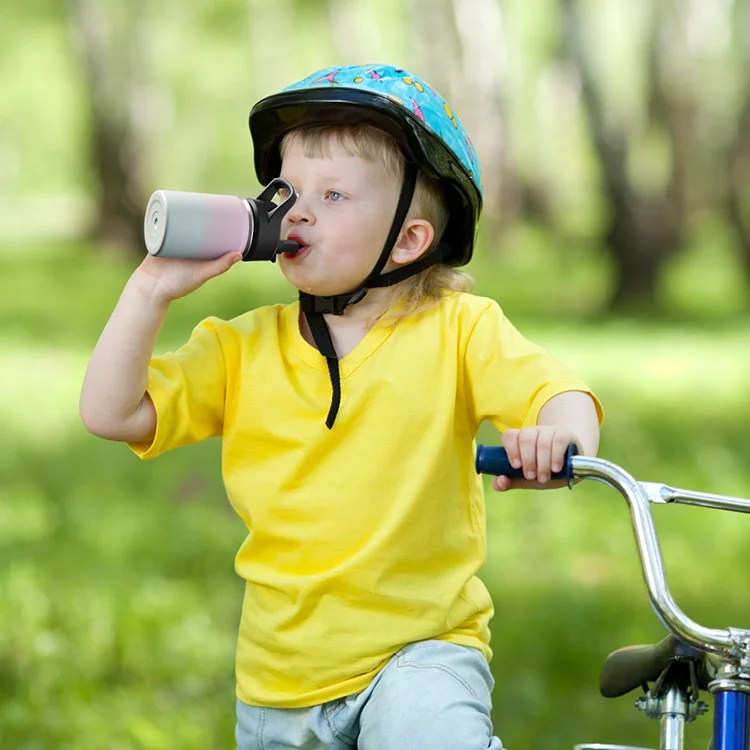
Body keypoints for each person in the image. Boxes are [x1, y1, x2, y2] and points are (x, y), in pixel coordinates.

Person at [80, 63, 602, 750]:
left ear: (409, 241)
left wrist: (560, 439)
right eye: (289, 191)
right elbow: (113, 414)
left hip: (418, 656)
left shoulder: (460, 331)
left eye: (332, 195)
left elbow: (556, 392)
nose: (296, 211)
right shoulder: (241, 347)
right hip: (278, 681)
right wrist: (150, 290)